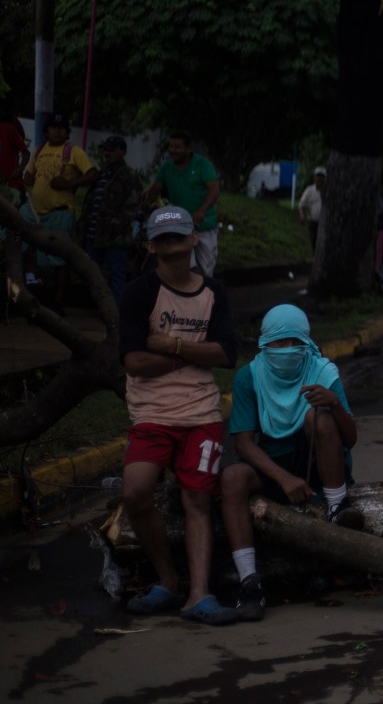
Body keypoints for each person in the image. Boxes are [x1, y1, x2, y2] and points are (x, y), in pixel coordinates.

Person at [117, 206, 238, 625]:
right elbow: (133, 362)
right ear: (151, 245)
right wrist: (190, 356)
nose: (172, 245)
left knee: (197, 499)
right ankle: (168, 582)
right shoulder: (138, 293)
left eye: (179, 236)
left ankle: (199, 595)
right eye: (163, 238)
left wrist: (172, 347)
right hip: (151, 413)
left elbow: (226, 354)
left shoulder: (214, 293)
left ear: (194, 240)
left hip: (201, 412)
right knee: (135, 491)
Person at [221, 304, 361, 621]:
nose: (286, 350)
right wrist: (283, 478)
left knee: (318, 417)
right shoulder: (249, 377)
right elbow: (243, 443)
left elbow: (349, 439)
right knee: (232, 478)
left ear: (306, 343)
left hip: (319, 464)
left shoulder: (322, 371)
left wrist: (335, 404)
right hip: (273, 466)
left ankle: (337, 510)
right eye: (278, 343)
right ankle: (249, 582)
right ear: (264, 344)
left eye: (294, 342)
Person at [21, 114, 98, 304]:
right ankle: (31, 278)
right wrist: (27, 178)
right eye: (53, 128)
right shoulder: (39, 150)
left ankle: (59, 300)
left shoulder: (74, 151)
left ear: (66, 132)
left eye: (61, 128)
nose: (57, 131)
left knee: (60, 256)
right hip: (35, 210)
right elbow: (28, 176)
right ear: (46, 132)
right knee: (21, 232)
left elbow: (93, 173)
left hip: (61, 212)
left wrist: (68, 184)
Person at [143, 131, 221, 277]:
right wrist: (144, 204)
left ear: (188, 149)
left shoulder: (202, 164)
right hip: (179, 227)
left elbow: (214, 189)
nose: (173, 150)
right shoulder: (167, 167)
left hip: (204, 226)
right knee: (184, 267)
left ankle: (206, 295)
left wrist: (202, 211)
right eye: (171, 146)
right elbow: (156, 188)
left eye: (177, 147)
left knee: (206, 268)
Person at [77, 136, 142, 305]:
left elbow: (134, 206)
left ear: (123, 152)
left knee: (116, 274)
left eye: (112, 150)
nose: (108, 153)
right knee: (93, 273)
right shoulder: (101, 174)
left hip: (115, 237)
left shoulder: (129, 175)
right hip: (93, 235)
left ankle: (114, 311)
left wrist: (115, 224)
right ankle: (99, 306)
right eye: (106, 149)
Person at [298, 166, 326, 251]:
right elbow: (302, 205)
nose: (319, 179)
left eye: (322, 177)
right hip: (313, 222)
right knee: (314, 240)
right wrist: (302, 216)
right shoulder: (309, 190)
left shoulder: (328, 190)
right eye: (318, 177)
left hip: (325, 223)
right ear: (315, 177)